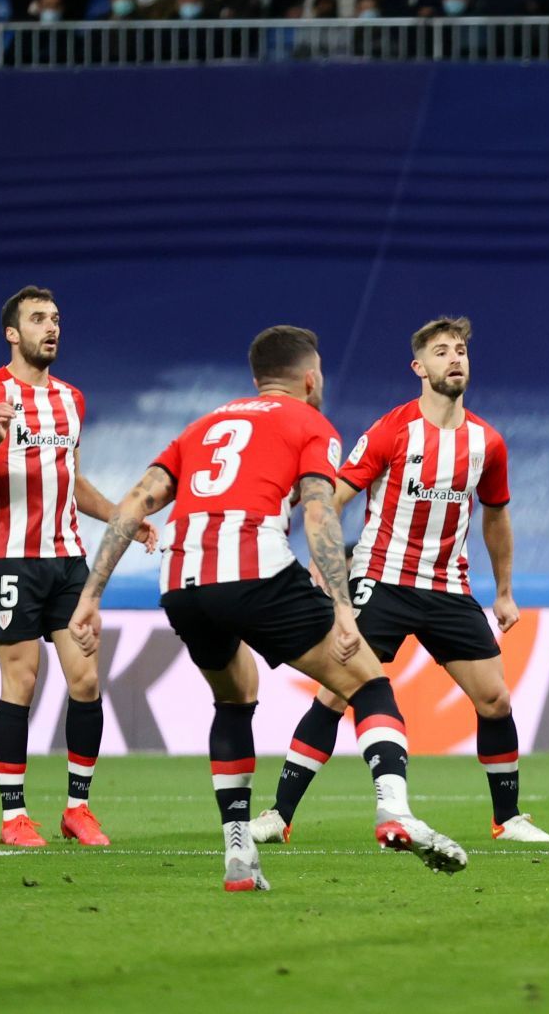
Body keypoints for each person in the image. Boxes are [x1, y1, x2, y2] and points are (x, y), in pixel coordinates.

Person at [70, 326, 469, 892]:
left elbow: (138, 499)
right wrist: (343, 606)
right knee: (367, 681)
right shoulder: (311, 423)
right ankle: (394, 810)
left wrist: (91, 596)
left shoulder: (204, 426)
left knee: (235, 695)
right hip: (253, 563)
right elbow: (318, 512)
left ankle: (239, 851)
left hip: (182, 578)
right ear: (310, 378)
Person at [251, 318, 549, 846]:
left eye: (460, 351)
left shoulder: (488, 443)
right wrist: (323, 558)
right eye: (441, 352)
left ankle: (508, 819)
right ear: (419, 368)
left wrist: (503, 590)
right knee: (335, 694)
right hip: (381, 580)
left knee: (496, 700)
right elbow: (334, 495)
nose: (454, 359)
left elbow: (496, 515)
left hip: (449, 589)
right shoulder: (392, 430)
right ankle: (279, 816)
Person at [0, 286, 157, 850]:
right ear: (12, 334)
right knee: (21, 680)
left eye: (56, 319)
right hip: (11, 557)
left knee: (87, 679)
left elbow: (72, 481)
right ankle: (14, 816)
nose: (52, 327)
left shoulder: (72, 399)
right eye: (38, 319)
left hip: (68, 559)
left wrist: (121, 518)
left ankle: (77, 809)